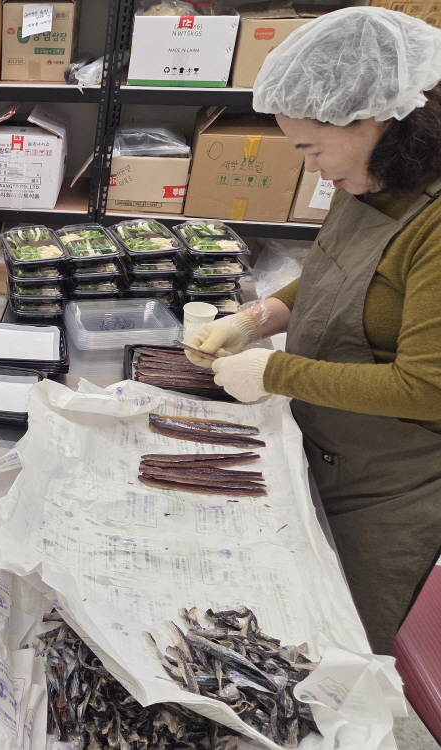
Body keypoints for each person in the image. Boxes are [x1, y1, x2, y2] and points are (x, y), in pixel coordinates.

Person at [184, 7, 441, 654]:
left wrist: (275, 371)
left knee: (339, 650)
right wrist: (256, 318)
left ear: (372, 118)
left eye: (312, 149)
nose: (314, 169)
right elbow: (338, 275)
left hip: (383, 494)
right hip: (317, 445)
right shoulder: (377, 177)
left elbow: (427, 388)